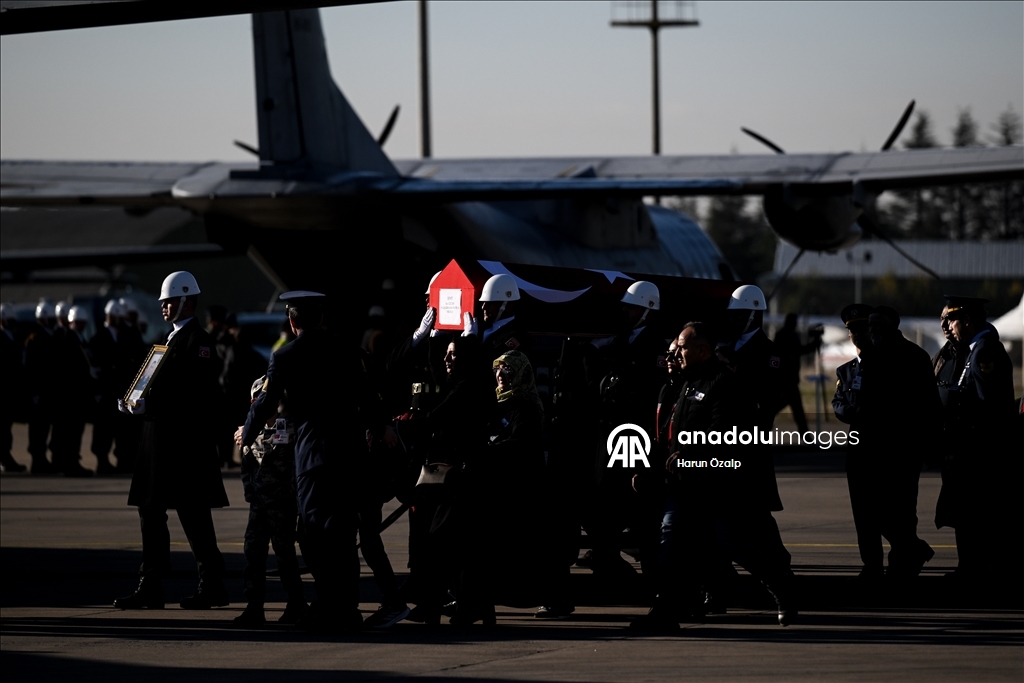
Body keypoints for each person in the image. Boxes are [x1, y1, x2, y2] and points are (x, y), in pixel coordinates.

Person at [632, 322, 795, 631]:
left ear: (702, 350)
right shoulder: (682, 385)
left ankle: (782, 588)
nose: (676, 352)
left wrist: (692, 455)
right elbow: (667, 437)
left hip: (715, 484)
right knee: (670, 542)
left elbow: (726, 435)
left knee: (733, 545)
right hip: (682, 485)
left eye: (681, 347)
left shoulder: (722, 385)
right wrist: (648, 468)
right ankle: (666, 611)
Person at [237, 291, 380, 633]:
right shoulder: (346, 349)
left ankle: (329, 606)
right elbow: (368, 396)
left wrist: (247, 431)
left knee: (315, 534)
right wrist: (377, 430)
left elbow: (266, 402)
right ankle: (348, 607)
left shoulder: (284, 356)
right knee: (344, 534)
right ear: (321, 319)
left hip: (314, 454)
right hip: (349, 453)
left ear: (292, 321)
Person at [114, 271, 230, 611]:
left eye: (169, 301)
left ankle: (212, 585)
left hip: (184, 448)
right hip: (158, 444)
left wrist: (151, 404)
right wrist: (134, 401)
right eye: (163, 302)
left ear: (186, 301)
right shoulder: (167, 341)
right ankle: (150, 585)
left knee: (194, 518)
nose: (163, 306)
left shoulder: (199, 342)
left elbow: (196, 396)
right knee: (150, 515)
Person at [839, 304, 939, 581]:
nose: (872, 331)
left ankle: (903, 563)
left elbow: (929, 406)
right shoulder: (869, 359)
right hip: (865, 449)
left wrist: (927, 445)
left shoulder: (914, 357)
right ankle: (874, 566)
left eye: (878, 325)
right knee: (866, 513)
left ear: (894, 327)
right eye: (870, 326)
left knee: (900, 512)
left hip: (900, 450)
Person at [934, 295, 1017, 583]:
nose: (948, 326)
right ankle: (970, 568)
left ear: (966, 321)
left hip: (978, 450)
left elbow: (988, 405)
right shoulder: (969, 350)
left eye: (952, 320)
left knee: (980, 515)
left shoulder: (984, 353)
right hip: (966, 448)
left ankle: (982, 572)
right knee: (967, 513)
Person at [232, 376, 306, 627]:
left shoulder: (289, 427)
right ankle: (254, 607)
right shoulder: (250, 428)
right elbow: (246, 464)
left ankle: (296, 604)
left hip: (282, 503)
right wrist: (250, 494)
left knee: (285, 556)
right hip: (259, 505)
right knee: (253, 554)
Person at [50, 305, 95, 477]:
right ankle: (70, 463)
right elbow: (67, 368)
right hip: (71, 395)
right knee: (71, 431)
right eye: (78, 322)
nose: (81, 325)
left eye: (83, 322)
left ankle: (72, 461)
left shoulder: (78, 338)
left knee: (76, 431)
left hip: (78, 394)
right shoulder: (68, 339)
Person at [25, 300, 58, 474]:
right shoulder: (35, 338)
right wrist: (35, 391)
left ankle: (42, 459)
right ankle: (37, 461)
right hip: (39, 391)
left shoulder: (48, 335)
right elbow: (32, 368)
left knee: (44, 427)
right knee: (37, 428)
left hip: (47, 390)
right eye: (50, 318)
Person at [773, 313, 820, 433]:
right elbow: (798, 351)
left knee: (786, 407)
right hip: (786, 379)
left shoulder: (785, 335)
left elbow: (798, 351)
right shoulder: (785, 336)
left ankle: (805, 435)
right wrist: (813, 345)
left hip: (786, 380)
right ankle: (805, 435)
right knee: (794, 409)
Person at [1, 304, 28, 473]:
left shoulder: (13, 337)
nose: (12, 323)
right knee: (2, 427)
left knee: (6, 426)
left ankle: (6, 456)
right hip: (3, 390)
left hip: (11, 390)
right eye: (9, 320)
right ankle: (4, 458)